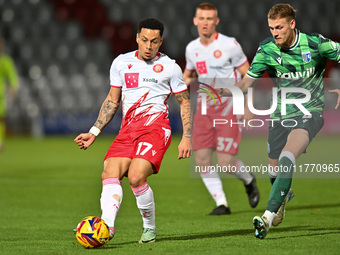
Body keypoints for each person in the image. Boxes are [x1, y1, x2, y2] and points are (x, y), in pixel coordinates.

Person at [217, 3, 340, 238]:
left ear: (292, 24)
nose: (275, 33)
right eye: (271, 28)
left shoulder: (316, 43)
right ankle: (283, 196)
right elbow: (247, 83)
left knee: (287, 157)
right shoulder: (266, 50)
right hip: (280, 115)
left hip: (308, 113)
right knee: (274, 171)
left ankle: (267, 218)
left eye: (280, 27)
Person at [74, 18, 192, 243]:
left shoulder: (170, 67)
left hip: (156, 129)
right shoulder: (121, 63)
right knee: (109, 171)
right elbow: (112, 100)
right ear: (137, 38)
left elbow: (185, 102)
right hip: (128, 130)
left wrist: (186, 137)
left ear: (161, 42)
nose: (148, 46)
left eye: (154, 42)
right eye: (145, 40)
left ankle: (149, 228)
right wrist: (94, 131)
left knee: (136, 177)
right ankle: (106, 227)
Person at [183, 2, 259, 215]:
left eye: (209, 19)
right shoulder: (192, 49)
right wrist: (182, 83)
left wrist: (247, 104)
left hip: (228, 109)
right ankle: (222, 204)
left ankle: (249, 180)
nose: (205, 23)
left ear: (216, 21)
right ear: (195, 21)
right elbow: (188, 74)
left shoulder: (230, 45)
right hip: (204, 111)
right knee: (202, 160)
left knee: (225, 163)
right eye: (201, 18)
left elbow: (249, 74)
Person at [0, 38, 19, 151]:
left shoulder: (5, 61)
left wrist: (12, 90)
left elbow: (13, 79)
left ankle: (0, 142)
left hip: (0, 96)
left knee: (1, 119)